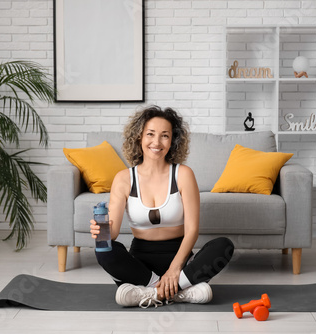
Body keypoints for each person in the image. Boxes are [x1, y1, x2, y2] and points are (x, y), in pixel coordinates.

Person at [90, 105, 234, 308]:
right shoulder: (124, 179)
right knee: (103, 249)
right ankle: (177, 291)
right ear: (139, 137)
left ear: (173, 141)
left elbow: (192, 230)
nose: (156, 142)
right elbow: (111, 234)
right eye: (150, 134)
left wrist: (175, 269)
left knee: (223, 246)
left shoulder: (184, 174)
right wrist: (100, 231)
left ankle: (149, 293)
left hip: (181, 260)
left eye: (164, 136)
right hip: (140, 263)